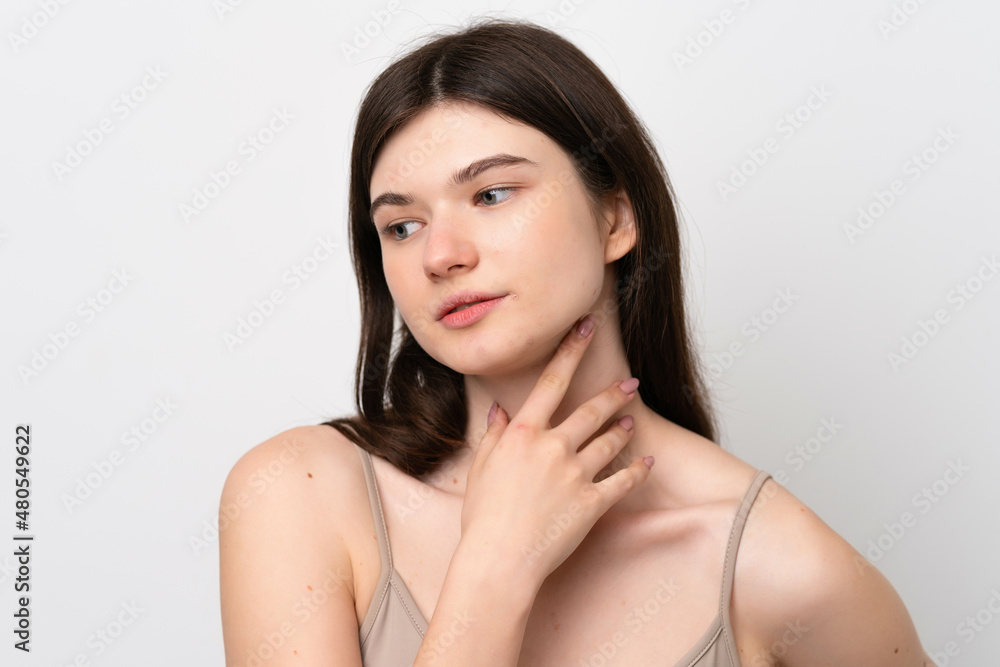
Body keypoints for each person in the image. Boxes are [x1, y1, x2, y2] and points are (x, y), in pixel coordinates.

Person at [219, 17, 932, 666]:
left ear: (615, 218)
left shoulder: (785, 570)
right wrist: (494, 567)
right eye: (402, 226)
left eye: (492, 194)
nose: (440, 255)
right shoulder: (298, 496)